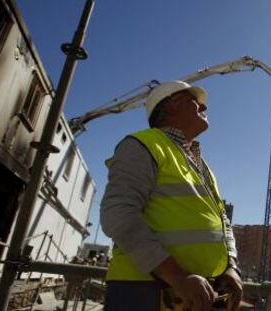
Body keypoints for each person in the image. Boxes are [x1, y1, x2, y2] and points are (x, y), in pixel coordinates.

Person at [100, 81, 243, 311]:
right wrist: (177, 277)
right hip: (143, 293)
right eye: (195, 102)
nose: (203, 108)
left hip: (196, 292)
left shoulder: (202, 166)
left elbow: (223, 222)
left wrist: (231, 265)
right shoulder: (142, 145)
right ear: (172, 106)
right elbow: (118, 215)